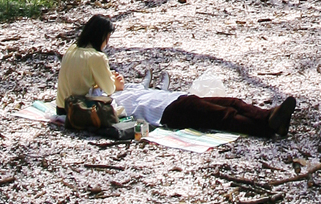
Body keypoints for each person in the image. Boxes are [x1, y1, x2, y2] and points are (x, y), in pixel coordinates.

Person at [56, 14, 297, 138]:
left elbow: (97, 86)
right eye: (107, 38)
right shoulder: (101, 83)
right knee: (222, 115)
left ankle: (269, 117)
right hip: (164, 111)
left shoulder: (73, 52)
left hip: (172, 100)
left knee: (232, 103)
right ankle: (267, 128)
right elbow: (110, 90)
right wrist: (117, 84)